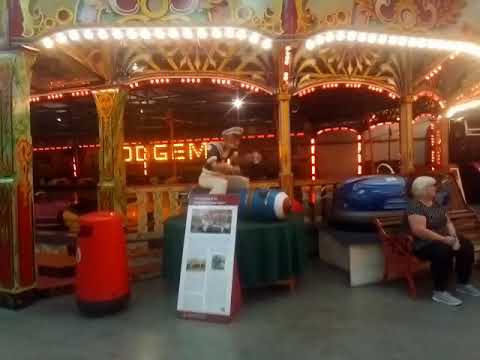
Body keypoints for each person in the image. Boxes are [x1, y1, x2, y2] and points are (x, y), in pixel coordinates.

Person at [407, 176, 480, 306]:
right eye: (433, 186)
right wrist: (444, 240)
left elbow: (448, 222)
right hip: (424, 243)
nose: (436, 188)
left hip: (443, 239)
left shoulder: (435, 203)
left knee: (466, 245)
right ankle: (439, 292)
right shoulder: (415, 206)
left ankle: (463, 283)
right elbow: (419, 231)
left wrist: (454, 238)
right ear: (423, 189)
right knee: (442, 251)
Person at [198, 127, 249, 194]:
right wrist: (229, 167)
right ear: (225, 138)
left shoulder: (233, 150)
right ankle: (212, 203)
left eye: (237, 138)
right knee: (221, 183)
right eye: (233, 138)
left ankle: (238, 202)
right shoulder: (213, 146)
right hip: (207, 177)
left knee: (243, 181)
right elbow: (214, 166)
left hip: (221, 176)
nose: (236, 142)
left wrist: (236, 168)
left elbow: (235, 166)